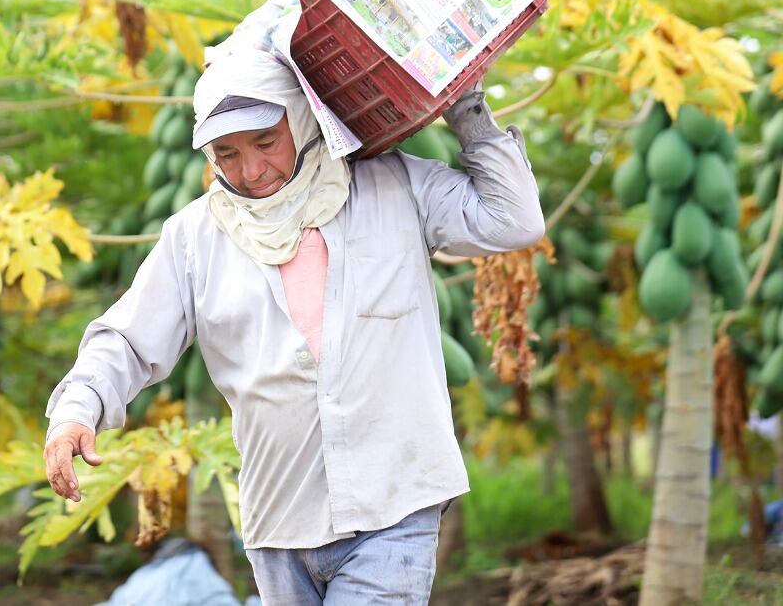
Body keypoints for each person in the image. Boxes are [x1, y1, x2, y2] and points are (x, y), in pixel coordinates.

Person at [44, 49, 544, 604]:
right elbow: (128, 340)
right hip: (279, 519)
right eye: (226, 153)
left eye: (265, 142)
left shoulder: (391, 186)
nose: (250, 171)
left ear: (302, 121)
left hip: (395, 502)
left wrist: (467, 108)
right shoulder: (195, 237)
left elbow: (513, 220)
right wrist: (76, 410)